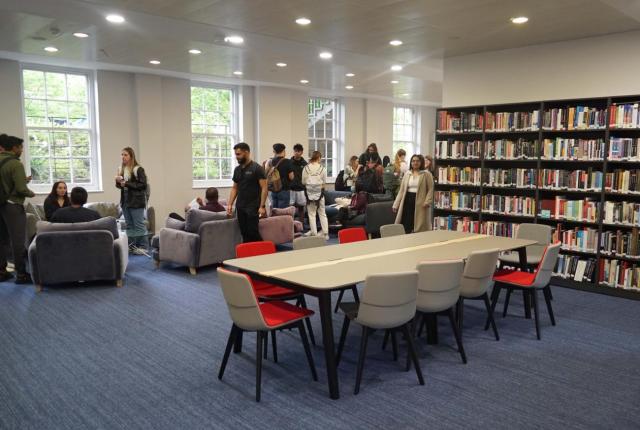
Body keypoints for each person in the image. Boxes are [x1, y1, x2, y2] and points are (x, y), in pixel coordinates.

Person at [0, 134, 35, 284]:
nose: (21, 150)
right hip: (12, 206)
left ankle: (1, 272)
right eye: (20, 147)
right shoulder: (15, 164)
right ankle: (21, 274)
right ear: (14, 148)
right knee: (17, 240)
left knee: (1, 240)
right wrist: (30, 193)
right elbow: (21, 189)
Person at [228, 142, 267, 243]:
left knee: (252, 232)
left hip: (253, 206)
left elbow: (264, 188)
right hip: (240, 206)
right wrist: (230, 204)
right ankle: (248, 256)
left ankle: (265, 254)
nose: (236, 157)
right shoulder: (237, 169)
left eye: (238, 154)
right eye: (236, 154)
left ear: (247, 152)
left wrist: (262, 206)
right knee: (244, 232)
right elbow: (234, 188)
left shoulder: (257, 168)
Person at [115, 147, 149, 253]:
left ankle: (143, 247)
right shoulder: (121, 169)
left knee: (138, 225)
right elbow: (121, 187)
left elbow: (143, 185)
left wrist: (127, 183)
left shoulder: (138, 169)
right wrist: (117, 181)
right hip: (125, 199)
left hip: (136, 201)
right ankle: (132, 246)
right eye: (122, 155)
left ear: (131, 156)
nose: (123, 157)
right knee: (129, 225)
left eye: (125, 155)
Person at [392, 154, 434, 233]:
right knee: (407, 223)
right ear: (411, 163)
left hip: (421, 202)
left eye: (417, 161)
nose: (415, 163)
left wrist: (427, 201)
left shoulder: (426, 174)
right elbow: (401, 190)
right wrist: (396, 204)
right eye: (413, 161)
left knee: (419, 225)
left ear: (421, 162)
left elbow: (431, 189)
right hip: (407, 200)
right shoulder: (407, 174)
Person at [302, 151, 329, 239]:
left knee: (311, 214)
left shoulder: (306, 168)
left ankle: (314, 233)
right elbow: (324, 183)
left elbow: (303, 182)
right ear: (319, 158)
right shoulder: (322, 168)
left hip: (309, 194)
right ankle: (325, 233)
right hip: (320, 194)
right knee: (322, 213)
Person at [265, 143, 294, 209]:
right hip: (284, 189)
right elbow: (291, 177)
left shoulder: (270, 161)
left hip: (273, 189)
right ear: (283, 150)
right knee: (282, 212)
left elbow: (266, 174)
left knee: (274, 210)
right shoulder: (288, 162)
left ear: (274, 151)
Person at [289, 143, 308, 222]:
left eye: (298, 151)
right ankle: (290, 224)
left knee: (301, 207)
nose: (296, 153)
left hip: (301, 189)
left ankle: (301, 225)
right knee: (290, 208)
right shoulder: (289, 162)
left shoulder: (305, 164)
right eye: (295, 151)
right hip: (291, 188)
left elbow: (307, 177)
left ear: (301, 152)